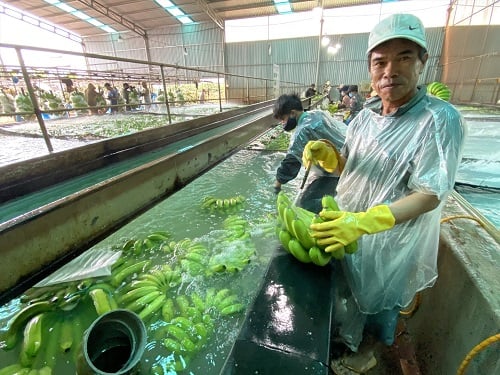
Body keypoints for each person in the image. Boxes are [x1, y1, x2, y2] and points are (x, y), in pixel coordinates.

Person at [302, 13, 466, 373]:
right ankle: (349, 339)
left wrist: (366, 221)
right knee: (353, 294)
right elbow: (350, 168)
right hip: (352, 225)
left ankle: (368, 353)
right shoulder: (364, 117)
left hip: (392, 237)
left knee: (381, 303)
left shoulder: (439, 120)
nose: (390, 70)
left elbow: (430, 194)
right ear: (371, 68)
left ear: (422, 62)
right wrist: (329, 158)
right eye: (381, 61)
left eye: (404, 57)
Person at [272, 93, 347, 213]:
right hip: (348, 156)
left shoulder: (302, 131)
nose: (282, 123)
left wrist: (278, 183)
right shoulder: (316, 114)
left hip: (337, 170)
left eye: (283, 119)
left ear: (292, 113)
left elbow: (292, 161)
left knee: (307, 204)